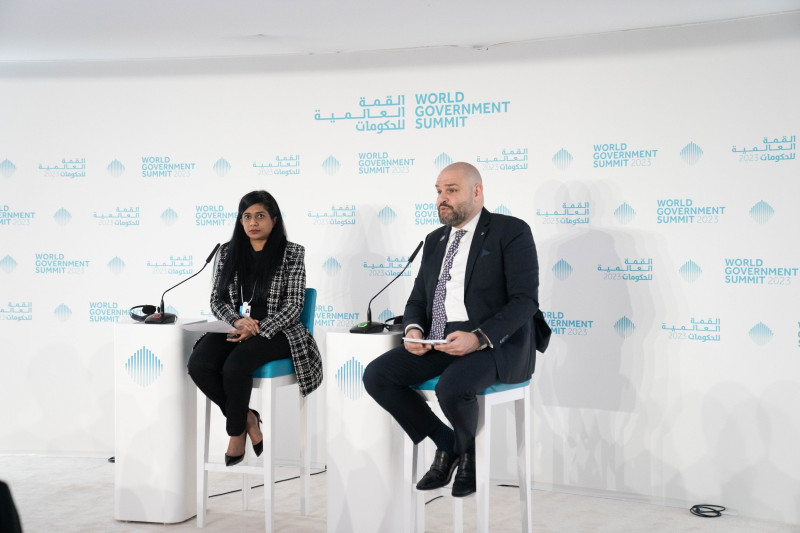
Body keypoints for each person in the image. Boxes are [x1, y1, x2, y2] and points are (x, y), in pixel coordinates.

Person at [363, 162, 550, 497]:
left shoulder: (510, 231)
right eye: (438, 191)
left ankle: (470, 458)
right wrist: (415, 330)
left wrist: (478, 338)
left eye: (451, 190)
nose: (442, 198)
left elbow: (525, 301)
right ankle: (447, 443)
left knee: (451, 387)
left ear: (477, 191)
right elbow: (418, 299)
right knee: (378, 375)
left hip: (497, 343)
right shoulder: (434, 240)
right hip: (440, 339)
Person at [188, 190, 322, 467]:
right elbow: (217, 300)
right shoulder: (227, 252)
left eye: (260, 216)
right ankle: (248, 418)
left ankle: (235, 434)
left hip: (279, 330)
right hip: (235, 325)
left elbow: (294, 305)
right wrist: (238, 321)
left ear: (274, 219)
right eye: (247, 216)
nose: (253, 222)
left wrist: (258, 328)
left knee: (236, 366)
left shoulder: (292, 253)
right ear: (240, 221)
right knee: (199, 364)